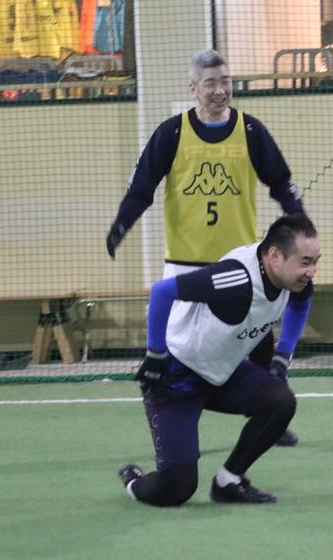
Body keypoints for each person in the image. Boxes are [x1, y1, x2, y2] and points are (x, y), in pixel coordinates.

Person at [106, 49, 306, 442]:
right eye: (210, 83)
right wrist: (120, 225)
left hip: (241, 264)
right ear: (193, 89)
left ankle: (272, 417)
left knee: (257, 339)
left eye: (225, 81)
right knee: (178, 351)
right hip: (186, 263)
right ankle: (173, 421)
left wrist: (300, 222)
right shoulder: (172, 133)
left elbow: (281, 183)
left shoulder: (251, 131)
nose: (220, 90)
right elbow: (142, 187)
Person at [117, 214, 319, 506]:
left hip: (224, 372)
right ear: (275, 256)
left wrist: (282, 357)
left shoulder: (294, 281)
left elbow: (301, 303)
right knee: (176, 489)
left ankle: (229, 481)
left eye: (315, 262)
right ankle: (133, 480)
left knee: (280, 401)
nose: (311, 271)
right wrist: (155, 354)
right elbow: (162, 292)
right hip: (176, 379)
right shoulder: (235, 279)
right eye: (305, 262)